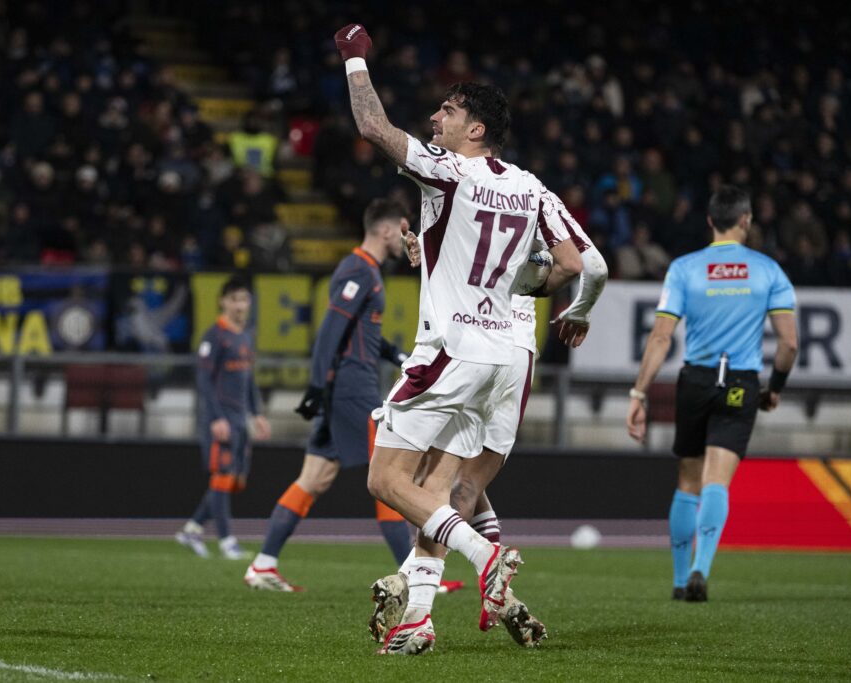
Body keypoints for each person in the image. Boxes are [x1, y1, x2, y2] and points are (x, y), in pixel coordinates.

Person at [333, 23, 589, 654]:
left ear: (475, 129)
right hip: (511, 357)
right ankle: (420, 617)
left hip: (453, 349)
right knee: (451, 488)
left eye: (447, 110)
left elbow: (373, 128)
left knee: (389, 482)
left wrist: (355, 62)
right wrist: (527, 293)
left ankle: (485, 558)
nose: (434, 117)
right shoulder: (530, 186)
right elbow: (574, 266)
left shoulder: (451, 172)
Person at [626, 185, 798, 601]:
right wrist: (773, 389)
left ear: (709, 222)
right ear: (745, 221)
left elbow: (662, 337)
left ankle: (682, 580)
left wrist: (639, 393)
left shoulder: (685, 268)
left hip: (697, 380)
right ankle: (704, 567)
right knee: (717, 480)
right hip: (740, 381)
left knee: (688, 481)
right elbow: (789, 344)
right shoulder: (767, 270)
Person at [243, 198, 415, 591]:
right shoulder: (358, 269)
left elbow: (359, 331)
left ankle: (264, 564)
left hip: (344, 387)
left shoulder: (367, 271)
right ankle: (415, 575)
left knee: (314, 478)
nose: (405, 239)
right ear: (386, 230)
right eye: (402, 230)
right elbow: (329, 332)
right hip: (352, 390)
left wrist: (393, 353)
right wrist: (317, 387)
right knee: (388, 473)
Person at [175, 276, 271, 560]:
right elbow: (204, 380)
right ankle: (227, 541)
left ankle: (192, 529)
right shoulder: (213, 336)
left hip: (241, 420)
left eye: (244, 300)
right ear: (223, 302)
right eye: (235, 300)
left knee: (233, 480)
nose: (240, 306)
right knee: (222, 476)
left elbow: (248, 379)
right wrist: (216, 418)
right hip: (220, 420)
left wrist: (257, 413)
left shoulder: (244, 335)